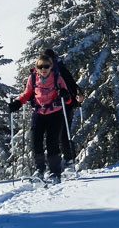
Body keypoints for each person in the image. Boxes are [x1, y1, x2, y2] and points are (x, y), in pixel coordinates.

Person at [9, 54, 72, 183]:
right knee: (35, 141)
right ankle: (40, 170)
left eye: (46, 66)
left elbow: (68, 99)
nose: (43, 69)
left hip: (55, 114)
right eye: (40, 66)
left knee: (52, 143)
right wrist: (17, 103)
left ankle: (55, 172)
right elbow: (26, 94)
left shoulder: (57, 78)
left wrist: (65, 95)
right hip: (38, 114)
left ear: (51, 66)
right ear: (36, 67)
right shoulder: (32, 79)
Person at [41, 48, 84, 169]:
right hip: (51, 107)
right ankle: (59, 161)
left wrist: (76, 96)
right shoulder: (44, 71)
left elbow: (72, 85)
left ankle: (68, 160)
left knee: (62, 134)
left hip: (65, 105)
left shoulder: (60, 70)